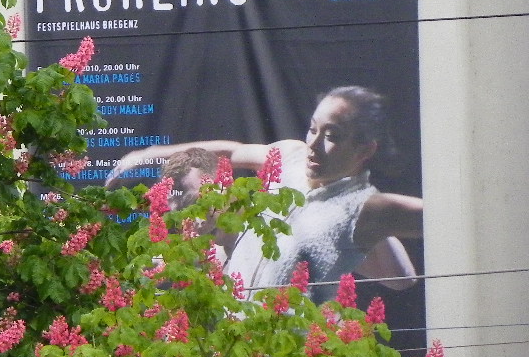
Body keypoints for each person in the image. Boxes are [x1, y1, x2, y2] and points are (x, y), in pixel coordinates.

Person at [106, 86, 421, 302]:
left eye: (332, 136)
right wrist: (149, 154)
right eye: (313, 129)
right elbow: (232, 151)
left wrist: (362, 222)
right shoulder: (291, 156)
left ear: (364, 151)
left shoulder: (359, 207)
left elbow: (403, 278)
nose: (313, 144)